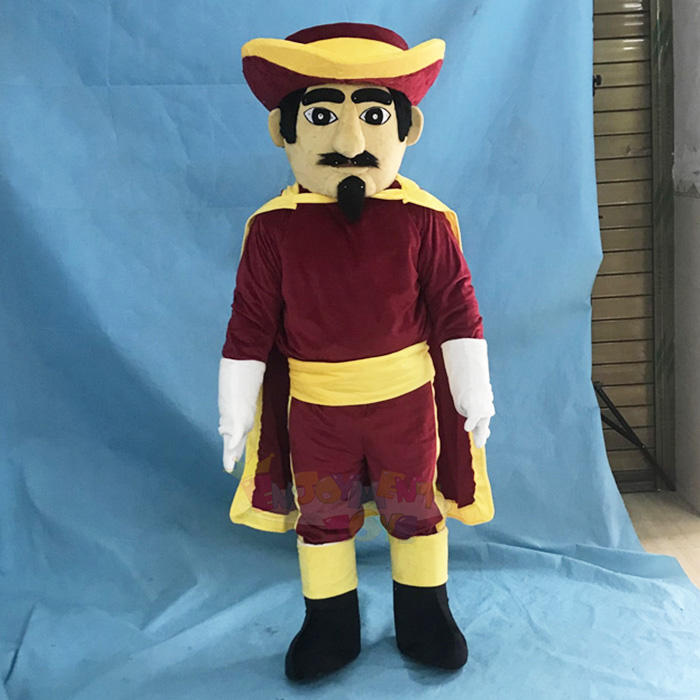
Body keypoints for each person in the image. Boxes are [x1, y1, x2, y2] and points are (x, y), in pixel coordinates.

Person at [218, 22, 496, 681]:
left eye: (372, 116)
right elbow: (250, 324)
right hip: (317, 412)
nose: (349, 143)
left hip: (406, 407)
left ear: (407, 127)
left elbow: (456, 308)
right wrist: (235, 412)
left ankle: (425, 617)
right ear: (285, 130)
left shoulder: (424, 221)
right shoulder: (273, 231)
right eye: (323, 117)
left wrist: (473, 392)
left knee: (414, 509)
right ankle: (329, 625)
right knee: (322, 513)